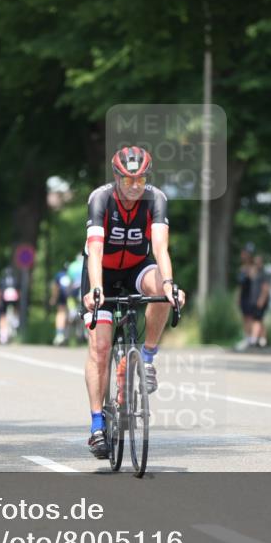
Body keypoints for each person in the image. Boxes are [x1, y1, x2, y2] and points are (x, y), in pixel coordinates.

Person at [81, 146, 186, 459]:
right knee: (100, 348)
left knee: (163, 290)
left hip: (136, 268)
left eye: (140, 180)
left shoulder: (156, 199)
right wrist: (96, 288)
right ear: (116, 177)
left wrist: (169, 285)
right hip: (102, 271)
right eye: (128, 180)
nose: (134, 186)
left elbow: (160, 249)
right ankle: (97, 424)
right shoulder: (100, 199)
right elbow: (95, 251)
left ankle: (148, 357)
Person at [245, 254, 271, 348]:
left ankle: (253, 339)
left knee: (257, 320)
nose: (256, 264)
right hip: (254, 301)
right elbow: (248, 274)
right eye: (255, 262)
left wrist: (261, 300)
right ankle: (263, 339)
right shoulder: (255, 273)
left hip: (260, 302)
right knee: (258, 320)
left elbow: (266, 288)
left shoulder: (264, 274)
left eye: (258, 262)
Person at [235, 245, 254, 350]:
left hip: (251, 295)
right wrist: (237, 296)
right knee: (245, 317)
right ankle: (247, 338)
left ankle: (252, 339)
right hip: (243, 295)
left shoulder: (252, 268)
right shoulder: (241, 268)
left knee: (250, 317)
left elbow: (254, 281)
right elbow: (240, 285)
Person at [51, 263, 72, 346]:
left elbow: (55, 287)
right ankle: (66, 334)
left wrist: (53, 298)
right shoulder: (71, 275)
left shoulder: (59, 275)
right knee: (68, 315)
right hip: (71, 297)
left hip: (61, 296)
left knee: (60, 314)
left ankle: (59, 334)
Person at [0, 267, 20, 344]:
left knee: (3, 316)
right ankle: (15, 323)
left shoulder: (2, 281)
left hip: (5, 300)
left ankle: (3, 335)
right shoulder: (15, 281)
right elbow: (18, 292)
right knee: (15, 311)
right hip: (13, 299)